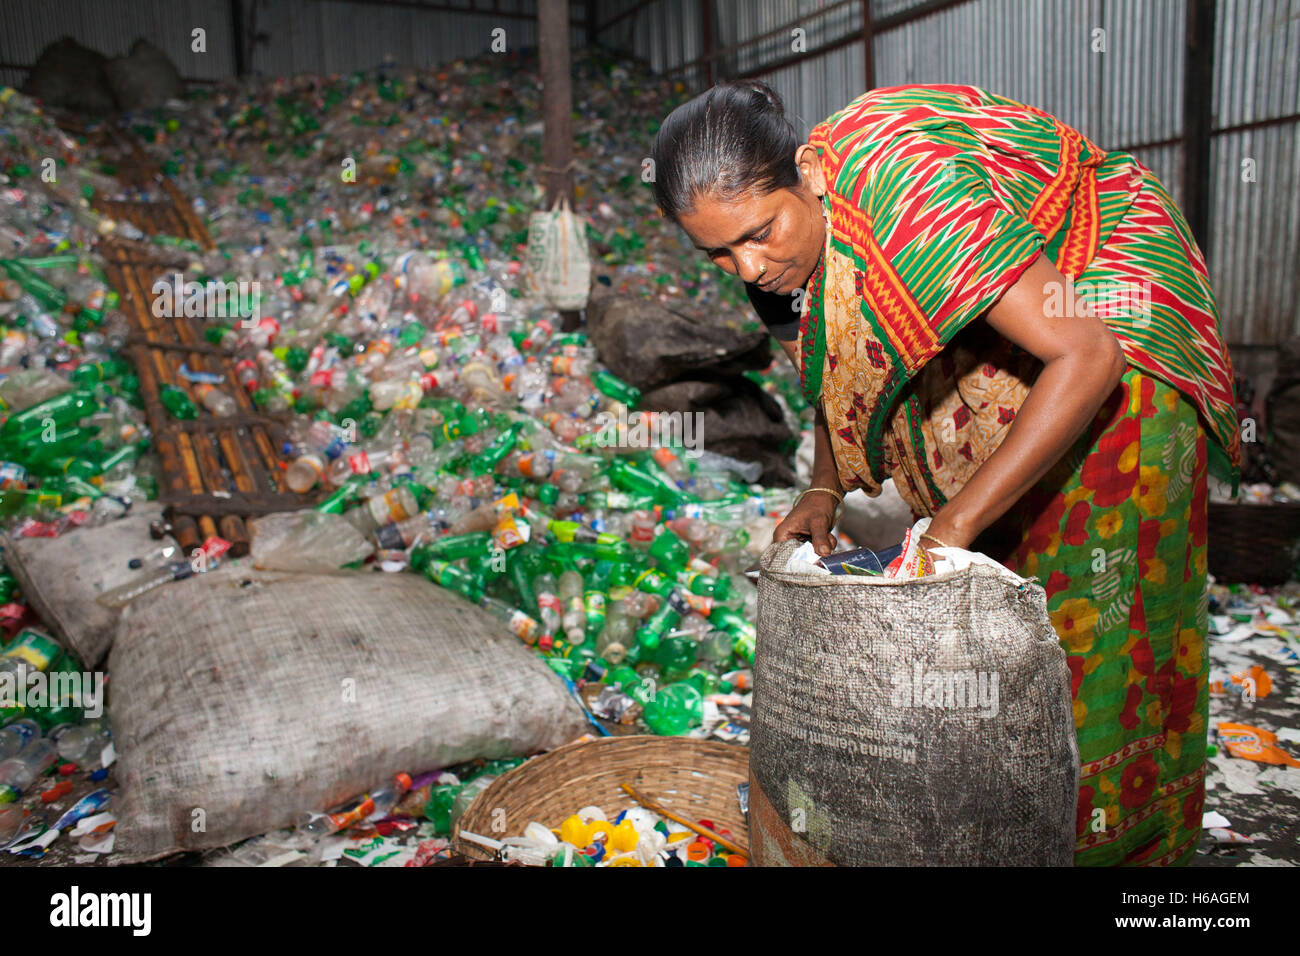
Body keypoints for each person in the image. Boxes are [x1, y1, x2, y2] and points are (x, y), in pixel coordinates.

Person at [650, 80, 1241, 866]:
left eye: (760, 233)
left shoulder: (915, 196)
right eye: (717, 252)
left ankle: (1127, 852)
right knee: (998, 591)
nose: (748, 266)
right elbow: (834, 364)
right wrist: (823, 487)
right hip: (1021, 331)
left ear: (810, 172)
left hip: (1106, 307)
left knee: (1092, 614)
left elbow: (1087, 353)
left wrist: (954, 523)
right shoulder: (780, 254)